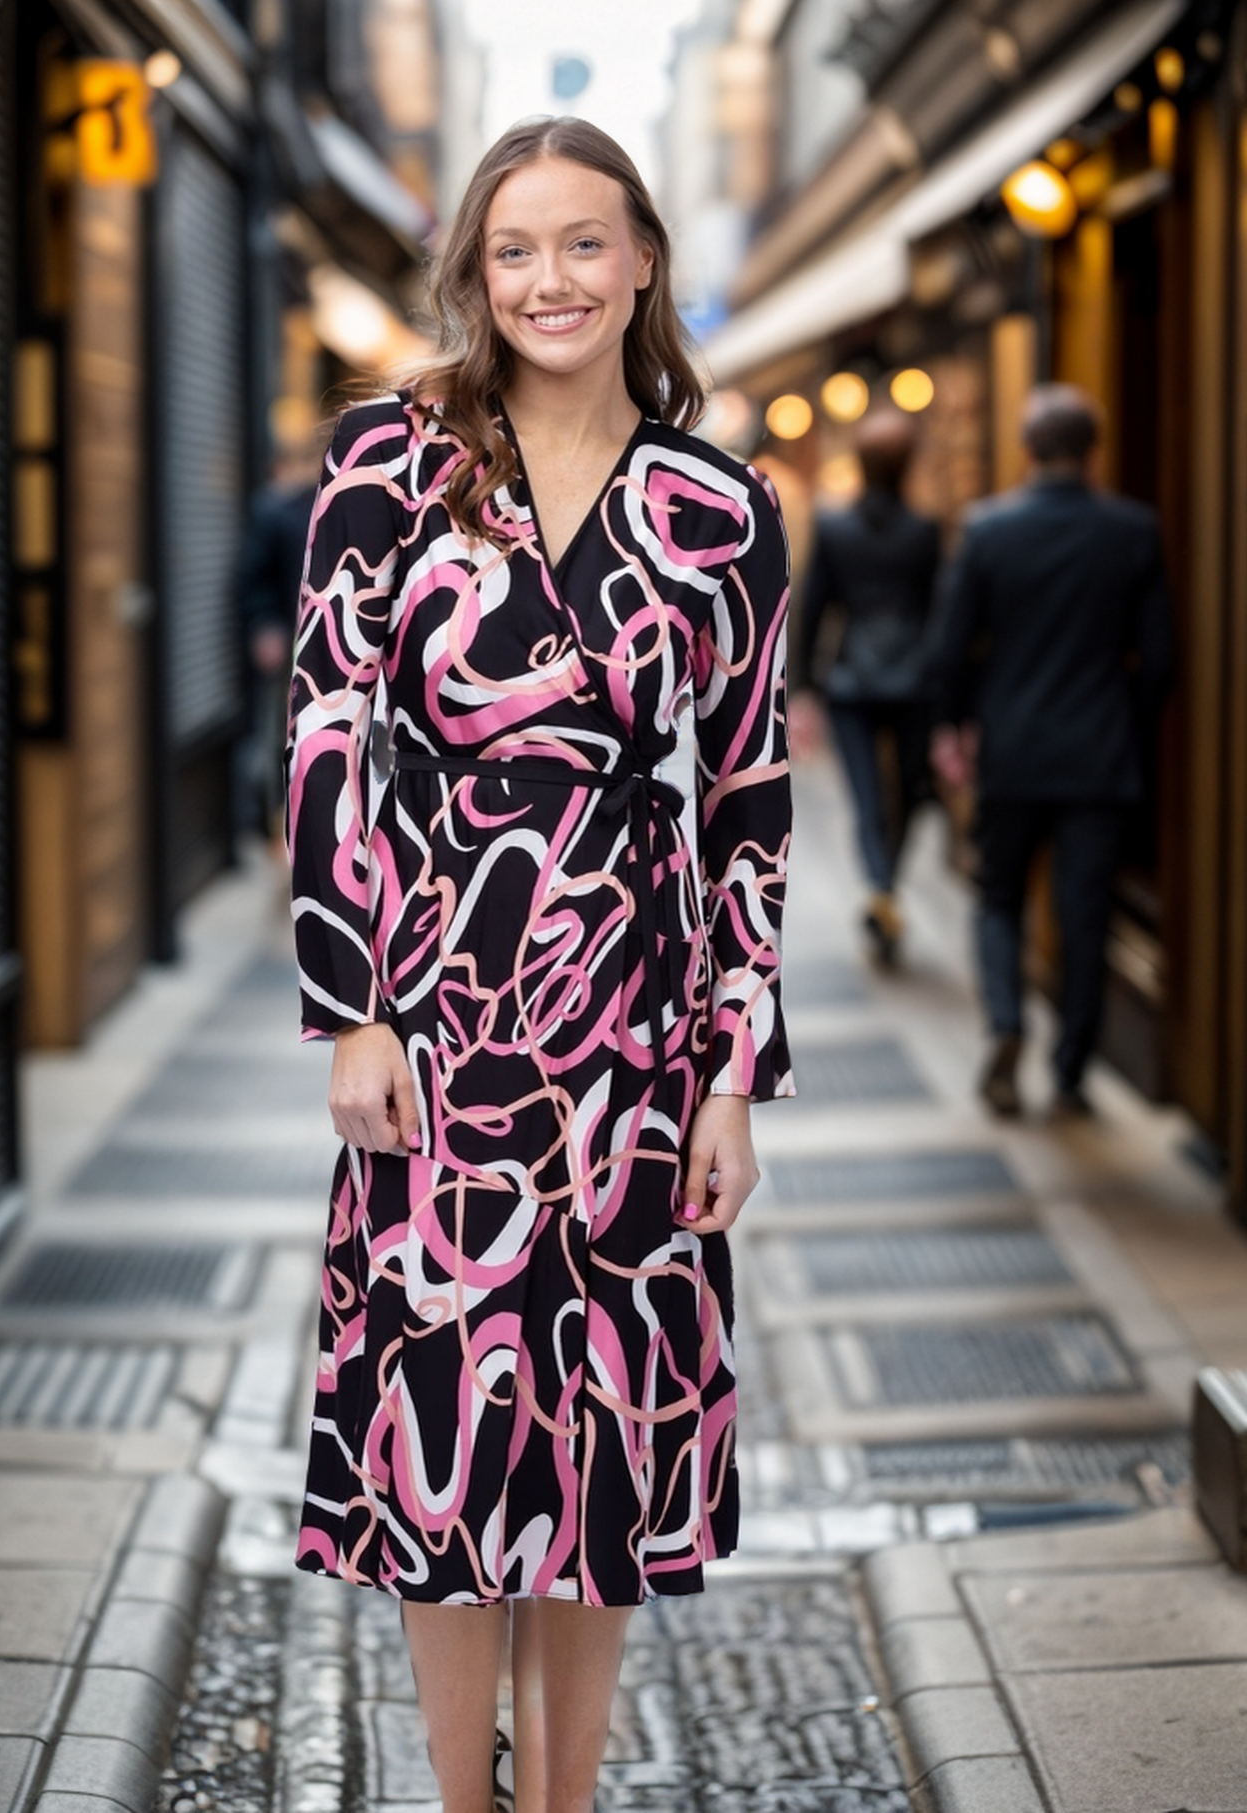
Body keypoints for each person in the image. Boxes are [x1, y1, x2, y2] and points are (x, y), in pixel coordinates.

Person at [284, 118, 794, 1813]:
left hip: (643, 1049)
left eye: (586, 244)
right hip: (441, 1027)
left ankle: (564, 1798)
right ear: (475, 274)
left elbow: (748, 805)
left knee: (607, 1450)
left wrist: (732, 1069)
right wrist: (353, 1003)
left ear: (644, 258)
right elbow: (330, 741)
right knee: (447, 1451)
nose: (551, 280)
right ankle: (461, 1796)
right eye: (517, 248)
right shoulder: (390, 467)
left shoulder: (721, 507)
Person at [931, 384, 1173, 1119]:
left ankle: (1006, 1024)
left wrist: (952, 727)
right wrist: (1126, 726)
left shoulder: (987, 530)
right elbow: (1159, 660)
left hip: (1010, 748)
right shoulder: (1131, 531)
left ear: (1027, 450)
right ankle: (1071, 1069)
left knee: (998, 896)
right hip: (1099, 754)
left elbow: (947, 648)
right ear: (1091, 453)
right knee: (1084, 913)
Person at [796, 410, 940, 964]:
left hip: (853, 678)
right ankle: (886, 888)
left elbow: (814, 608)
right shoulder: (925, 530)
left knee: (865, 796)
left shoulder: (834, 528)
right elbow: (935, 611)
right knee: (904, 793)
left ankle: (880, 889)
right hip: (913, 679)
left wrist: (805, 683)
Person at [235, 426, 320, 836]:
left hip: (343, 649)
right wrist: (264, 626)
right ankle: (275, 823)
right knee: (280, 735)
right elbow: (253, 579)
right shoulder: (279, 511)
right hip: (290, 643)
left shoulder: (357, 509)